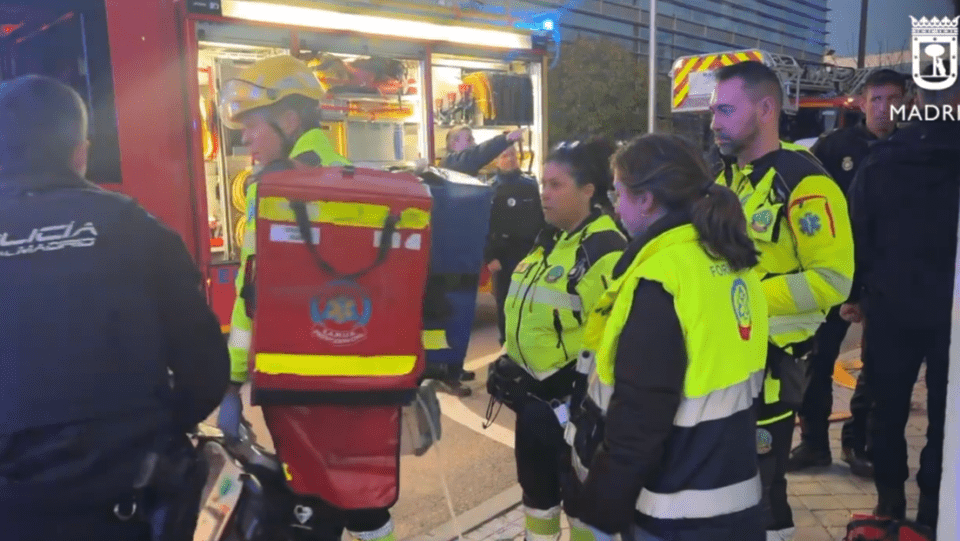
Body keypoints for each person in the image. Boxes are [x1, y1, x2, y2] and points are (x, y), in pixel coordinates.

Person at [0, 75, 230, 540]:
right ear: (80, 150)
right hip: (128, 497)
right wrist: (156, 427)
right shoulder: (139, 229)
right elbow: (205, 372)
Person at [217, 55, 394, 541]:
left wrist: (232, 383)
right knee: (360, 505)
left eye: (253, 126)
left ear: (289, 120)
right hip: (342, 380)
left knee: (316, 511)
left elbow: (252, 295)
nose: (246, 139)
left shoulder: (287, 186)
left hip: (306, 388)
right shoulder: (341, 174)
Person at [563, 133, 768, 541]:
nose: (615, 206)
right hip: (736, 496)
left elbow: (639, 416)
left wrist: (600, 510)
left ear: (646, 199)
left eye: (619, 193)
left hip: (674, 509)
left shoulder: (661, 278)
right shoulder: (731, 259)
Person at [709, 61, 854, 541]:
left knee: (758, 486)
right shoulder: (731, 178)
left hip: (774, 362)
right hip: (729, 357)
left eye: (726, 110)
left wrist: (745, 297)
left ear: (766, 108)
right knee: (742, 483)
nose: (714, 122)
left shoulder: (804, 181)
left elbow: (833, 279)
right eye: (714, 111)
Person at [487, 138, 626, 541]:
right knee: (537, 500)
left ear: (587, 191)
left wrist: (579, 394)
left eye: (556, 185)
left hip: (575, 410)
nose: (544, 194)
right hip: (533, 406)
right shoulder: (548, 239)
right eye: (542, 183)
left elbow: (615, 338)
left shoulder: (604, 249)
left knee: (582, 509)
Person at [843, 64, 960, 531]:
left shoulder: (883, 158)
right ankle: (934, 508)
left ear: (917, 101)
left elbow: (858, 234)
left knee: (887, 411)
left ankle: (891, 505)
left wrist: (860, 293)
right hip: (950, 312)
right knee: (944, 414)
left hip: (891, 306)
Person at [789, 69, 906, 477]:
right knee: (818, 363)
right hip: (835, 277)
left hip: (884, 280)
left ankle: (857, 445)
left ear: (905, 103)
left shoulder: (910, 151)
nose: (883, 108)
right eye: (876, 99)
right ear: (861, 103)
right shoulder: (834, 147)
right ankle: (814, 445)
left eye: (892, 99)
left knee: (875, 367)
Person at [484, 143, 545, 346]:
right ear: (497, 160)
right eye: (504, 155)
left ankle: (528, 343)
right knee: (505, 302)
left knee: (531, 300)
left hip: (528, 252)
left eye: (512, 155)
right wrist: (489, 257)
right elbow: (483, 226)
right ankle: (506, 344)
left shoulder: (530, 185)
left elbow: (541, 218)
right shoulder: (489, 189)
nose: (509, 159)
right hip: (502, 254)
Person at [441, 124, 524, 177]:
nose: (474, 143)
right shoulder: (450, 161)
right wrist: (506, 139)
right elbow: (475, 155)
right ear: (454, 143)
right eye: (469, 139)